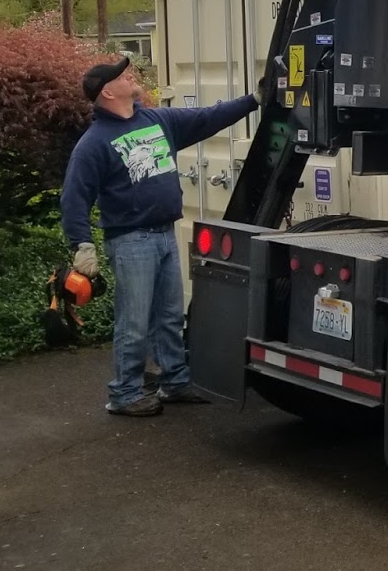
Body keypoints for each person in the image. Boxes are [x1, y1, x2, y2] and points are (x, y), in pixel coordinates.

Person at [62, 56, 260, 417]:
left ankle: (175, 380)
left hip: (164, 234)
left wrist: (254, 100)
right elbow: (74, 195)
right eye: (123, 76)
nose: (130, 76)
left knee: (168, 315)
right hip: (131, 241)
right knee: (134, 323)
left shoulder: (155, 119)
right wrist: (82, 244)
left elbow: (206, 118)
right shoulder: (95, 142)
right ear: (107, 91)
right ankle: (124, 393)